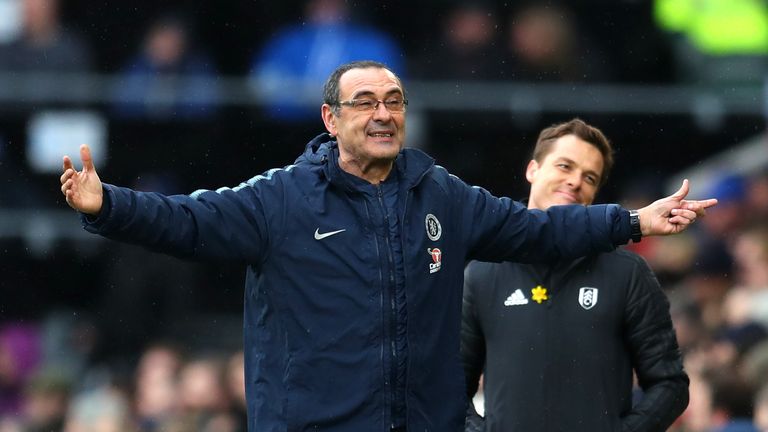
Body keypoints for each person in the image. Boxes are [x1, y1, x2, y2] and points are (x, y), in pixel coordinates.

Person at [60, 60, 714, 432]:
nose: (383, 113)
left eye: (394, 101)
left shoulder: (442, 194)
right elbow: (188, 222)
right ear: (331, 119)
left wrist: (633, 222)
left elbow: (538, 229)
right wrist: (106, 203)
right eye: (365, 101)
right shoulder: (280, 200)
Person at [461, 119, 689, 432]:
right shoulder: (481, 273)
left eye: (589, 177)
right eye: (564, 166)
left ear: (595, 192)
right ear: (533, 170)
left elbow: (670, 384)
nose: (575, 181)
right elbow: (449, 386)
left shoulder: (628, 272)